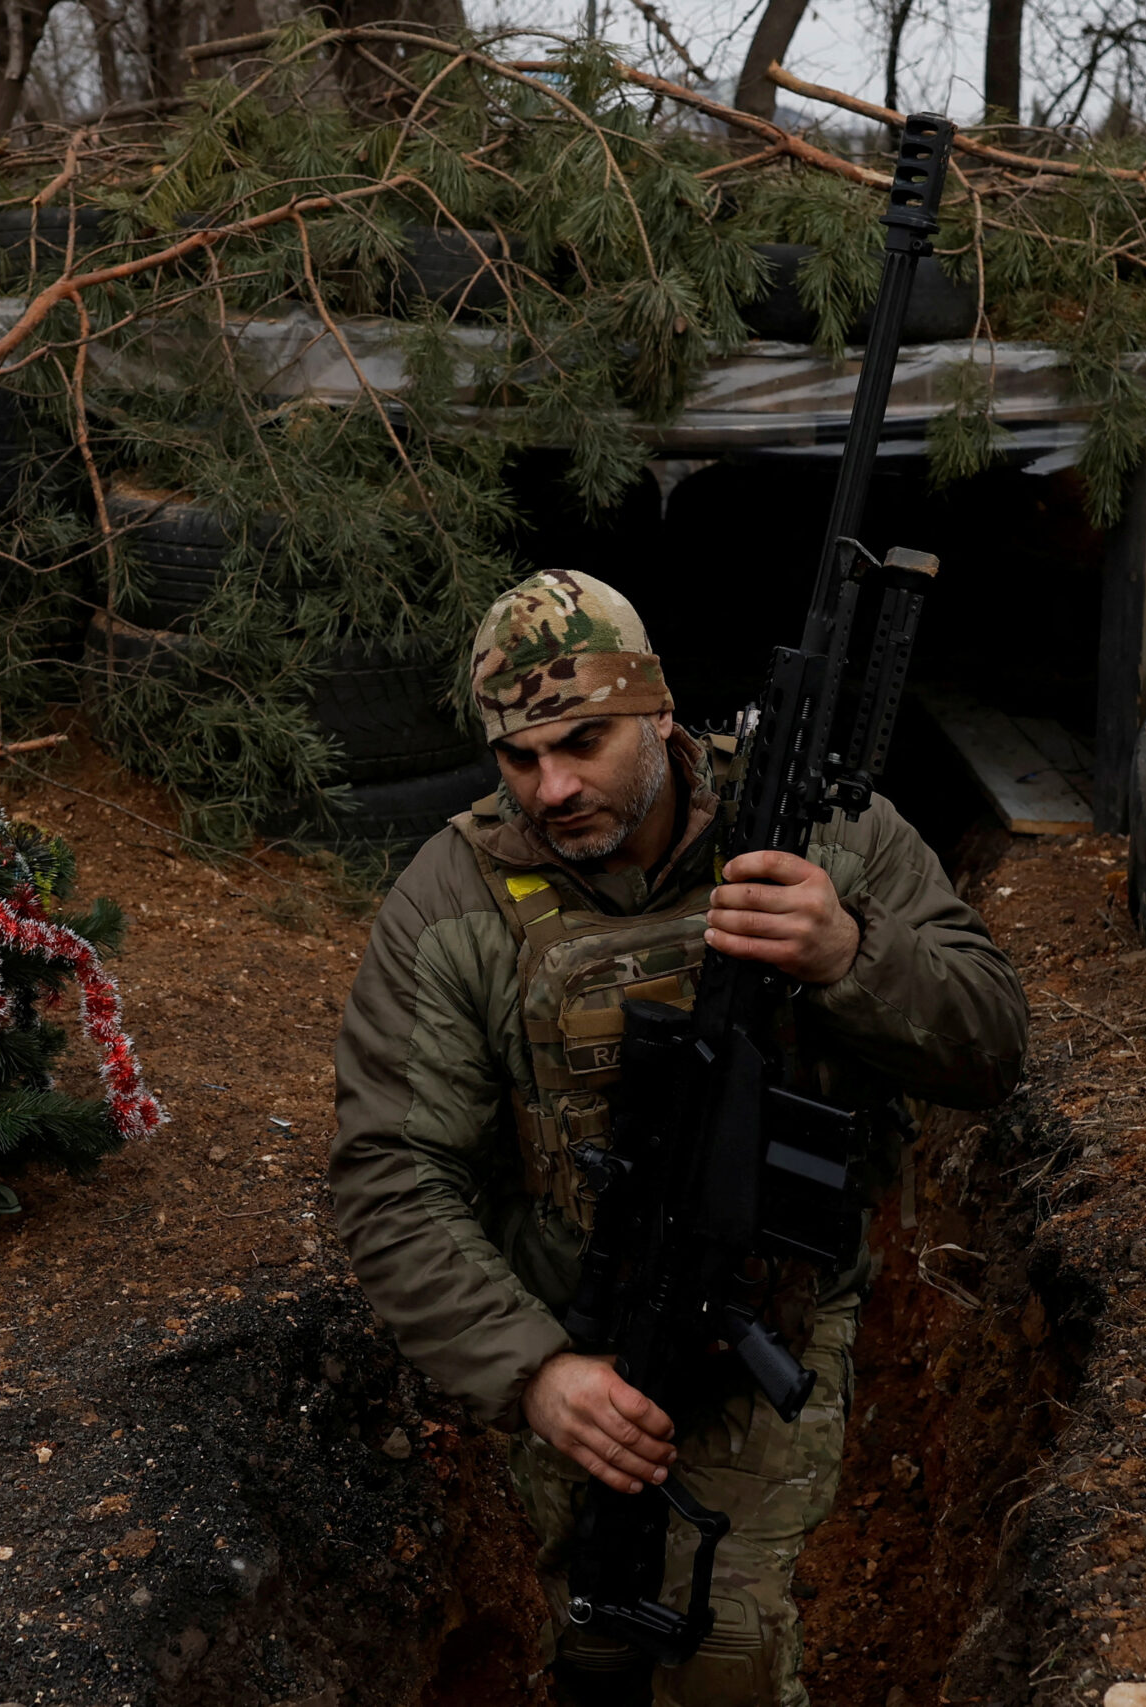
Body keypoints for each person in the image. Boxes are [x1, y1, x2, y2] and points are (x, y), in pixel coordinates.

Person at [328, 570, 1027, 1706]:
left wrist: (850, 955)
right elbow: (392, 1177)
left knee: (721, 1666)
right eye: (519, 759)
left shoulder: (820, 831)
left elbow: (992, 1044)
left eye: (583, 740)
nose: (552, 788)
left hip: (772, 1317)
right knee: (596, 1645)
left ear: (656, 710)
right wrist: (536, 1372)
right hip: (581, 1342)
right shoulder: (449, 903)